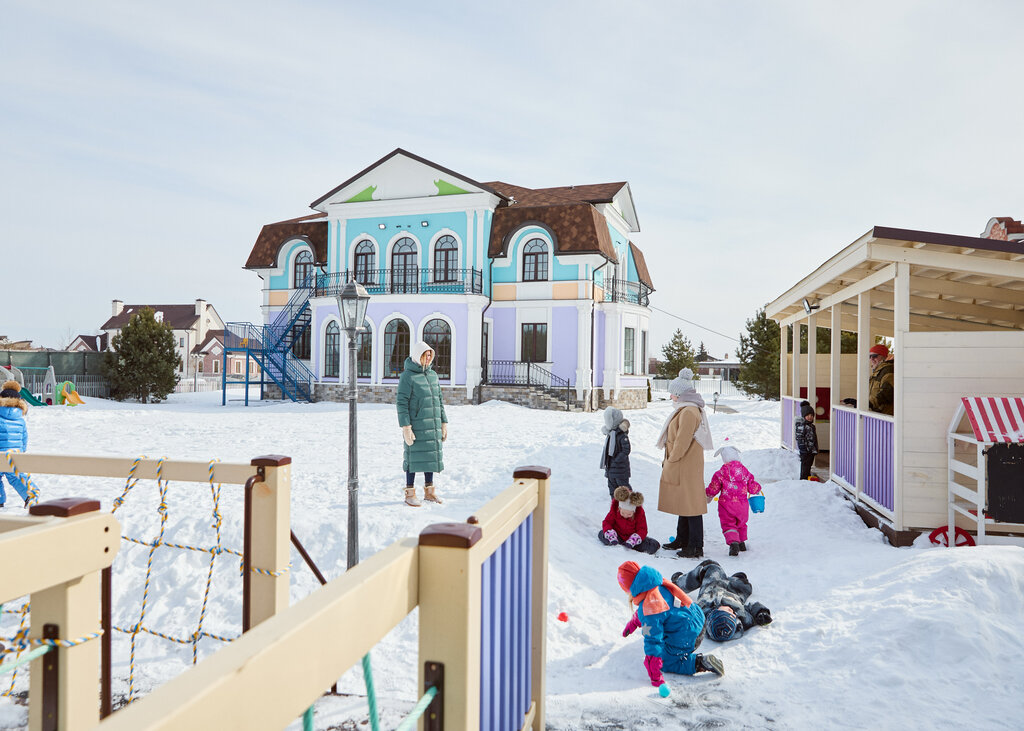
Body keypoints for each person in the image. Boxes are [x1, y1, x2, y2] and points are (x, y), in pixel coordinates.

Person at [617, 560, 724, 691]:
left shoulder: (649, 607)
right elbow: (651, 613)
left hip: (688, 636)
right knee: (663, 624)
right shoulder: (657, 583)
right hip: (699, 619)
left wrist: (655, 675)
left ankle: (699, 663)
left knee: (666, 661)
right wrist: (634, 623)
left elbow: (653, 641)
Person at [657, 368, 713, 558]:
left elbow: (682, 441)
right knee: (685, 502)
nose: (670, 396)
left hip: (685, 463)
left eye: (672, 393)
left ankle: (695, 546)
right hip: (685, 463)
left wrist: (672, 459)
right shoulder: (686, 408)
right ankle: (683, 539)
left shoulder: (689, 411)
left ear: (680, 394)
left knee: (692, 505)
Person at [396, 341, 447, 507]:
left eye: (430, 355)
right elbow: (401, 402)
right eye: (426, 355)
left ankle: (429, 492)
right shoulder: (407, 376)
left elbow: (439, 400)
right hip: (416, 425)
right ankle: (409, 493)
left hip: (432, 424)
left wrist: (443, 422)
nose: (429, 358)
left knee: (430, 456)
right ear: (418, 356)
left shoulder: (433, 375)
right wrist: (406, 427)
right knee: (412, 457)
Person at [671, 559, 772, 642]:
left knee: (712, 566)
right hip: (735, 592)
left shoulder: (701, 612)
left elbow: (683, 613)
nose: (732, 611)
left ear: (714, 611)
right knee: (745, 583)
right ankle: (734, 578)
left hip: (714, 584)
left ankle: (679, 583)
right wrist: (761, 613)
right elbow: (751, 608)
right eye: (733, 615)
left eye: (728, 611)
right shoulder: (742, 618)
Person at [706, 445, 762, 556]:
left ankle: (734, 543)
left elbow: (714, 488)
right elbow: (752, 486)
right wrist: (757, 488)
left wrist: (707, 494)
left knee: (728, 524)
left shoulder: (720, 473)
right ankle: (741, 543)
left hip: (726, 505)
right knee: (741, 523)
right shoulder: (745, 472)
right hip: (742, 505)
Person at [599, 486, 660, 554]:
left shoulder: (639, 514)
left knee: (652, 547)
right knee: (602, 534)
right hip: (617, 536)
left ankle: (638, 541)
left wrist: (635, 538)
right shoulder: (615, 510)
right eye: (623, 513)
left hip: (632, 538)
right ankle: (614, 540)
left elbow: (642, 529)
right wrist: (610, 532)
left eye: (629, 514)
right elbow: (607, 522)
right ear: (619, 508)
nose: (625, 515)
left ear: (634, 512)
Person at [0, 380, 31, 509]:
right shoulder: (20, 420)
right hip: (14, 453)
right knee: (15, 477)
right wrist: (22, 451)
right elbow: (24, 438)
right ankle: (28, 496)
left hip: (0, 453)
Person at [599, 407, 631, 498]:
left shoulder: (621, 435)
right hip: (610, 468)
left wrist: (617, 460)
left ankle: (629, 505)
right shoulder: (610, 434)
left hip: (620, 468)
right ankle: (615, 504)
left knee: (624, 489)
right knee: (612, 489)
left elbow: (626, 450)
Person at [868, 344, 894, 415]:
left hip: (885, 416)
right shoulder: (878, 371)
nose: (871, 359)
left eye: (874, 356)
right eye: (870, 356)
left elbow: (887, 393)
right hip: (876, 414)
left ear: (884, 356)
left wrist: (869, 403)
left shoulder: (888, 370)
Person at [795, 400, 818, 480]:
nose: (810, 417)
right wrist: (803, 449)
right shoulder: (801, 426)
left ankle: (807, 478)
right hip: (805, 451)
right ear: (804, 416)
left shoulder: (812, 426)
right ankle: (803, 479)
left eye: (811, 415)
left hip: (811, 450)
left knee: (808, 466)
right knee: (805, 466)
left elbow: (814, 438)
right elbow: (799, 438)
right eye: (807, 415)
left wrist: (815, 448)